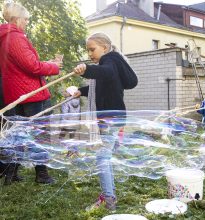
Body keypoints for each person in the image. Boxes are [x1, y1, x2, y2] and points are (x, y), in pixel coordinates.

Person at [73, 33, 138, 210]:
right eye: (88, 50)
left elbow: (106, 73)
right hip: (110, 117)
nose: (90, 53)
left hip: (110, 118)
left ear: (105, 48)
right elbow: (103, 87)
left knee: (102, 156)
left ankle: (109, 198)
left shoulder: (110, 60)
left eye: (92, 49)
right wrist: (81, 91)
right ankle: (109, 194)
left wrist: (86, 69)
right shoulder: (110, 63)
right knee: (105, 156)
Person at [0, 2, 62, 185]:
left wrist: (45, 63)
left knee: (18, 134)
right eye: (25, 19)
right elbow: (32, 67)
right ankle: (42, 175)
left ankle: (11, 173)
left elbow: (22, 65)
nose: (27, 22)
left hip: (16, 94)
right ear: (16, 19)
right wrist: (54, 66)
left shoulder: (4, 38)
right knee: (39, 134)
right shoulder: (15, 37)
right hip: (31, 94)